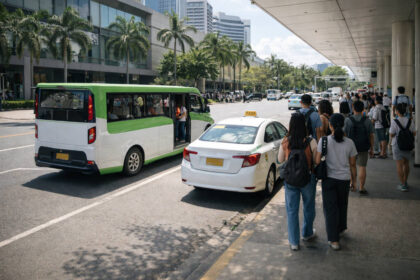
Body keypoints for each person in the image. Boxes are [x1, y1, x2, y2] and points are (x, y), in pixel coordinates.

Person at [316, 113, 357, 251]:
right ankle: (340, 229)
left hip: (328, 179)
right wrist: (354, 181)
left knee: (330, 209)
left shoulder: (324, 141)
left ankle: (334, 240)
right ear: (343, 126)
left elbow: (317, 160)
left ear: (330, 126)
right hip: (344, 180)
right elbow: (352, 164)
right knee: (342, 205)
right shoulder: (350, 143)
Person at [278, 113, 318, 251]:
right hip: (308, 179)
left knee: (292, 210)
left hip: (290, 181)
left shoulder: (285, 141)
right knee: (309, 207)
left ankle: (294, 242)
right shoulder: (311, 141)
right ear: (304, 124)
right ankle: (307, 233)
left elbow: (280, 159)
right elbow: (316, 161)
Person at [344, 101, 374, 195]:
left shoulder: (348, 120)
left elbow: (344, 134)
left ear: (353, 108)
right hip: (363, 146)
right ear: (363, 109)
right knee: (362, 167)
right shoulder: (367, 120)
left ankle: (352, 183)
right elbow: (371, 135)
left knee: (351, 166)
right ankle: (361, 187)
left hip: (350, 147)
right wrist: (372, 148)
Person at [389, 104, 417, 192]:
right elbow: (414, 133)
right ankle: (405, 181)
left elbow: (391, 134)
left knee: (399, 165)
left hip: (397, 144)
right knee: (406, 163)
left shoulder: (395, 121)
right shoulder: (410, 120)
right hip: (408, 145)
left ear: (397, 111)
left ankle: (403, 184)